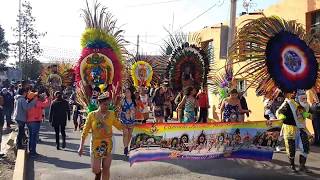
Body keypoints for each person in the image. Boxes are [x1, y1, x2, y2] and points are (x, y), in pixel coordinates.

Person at [78, 93, 123, 180]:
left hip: (108, 142)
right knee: (95, 169)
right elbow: (85, 131)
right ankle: (98, 174)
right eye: (105, 104)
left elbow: (119, 126)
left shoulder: (111, 114)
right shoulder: (91, 115)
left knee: (106, 167)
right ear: (99, 103)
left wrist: (126, 125)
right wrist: (81, 146)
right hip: (96, 143)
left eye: (108, 104)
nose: (107, 106)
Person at [277, 90, 312, 173]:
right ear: (297, 98)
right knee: (291, 148)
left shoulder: (306, 105)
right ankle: (292, 166)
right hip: (290, 128)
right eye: (302, 98)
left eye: (305, 98)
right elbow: (279, 112)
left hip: (302, 129)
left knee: (305, 147)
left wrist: (307, 115)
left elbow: (311, 115)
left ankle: (302, 166)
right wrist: (281, 116)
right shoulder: (289, 103)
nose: (305, 100)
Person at [26, 92, 51, 157]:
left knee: (31, 137)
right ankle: (32, 153)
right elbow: (46, 104)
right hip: (35, 121)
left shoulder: (28, 102)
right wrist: (47, 97)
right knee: (33, 138)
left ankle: (31, 151)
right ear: (34, 97)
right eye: (36, 95)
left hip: (29, 121)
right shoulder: (36, 102)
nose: (38, 96)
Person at [119, 88, 136, 156]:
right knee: (125, 133)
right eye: (125, 92)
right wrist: (124, 112)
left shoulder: (133, 101)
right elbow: (119, 109)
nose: (126, 93)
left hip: (131, 119)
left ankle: (127, 145)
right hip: (124, 119)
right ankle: (125, 148)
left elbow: (136, 110)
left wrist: (133, 112)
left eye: (128, 92)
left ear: (131, 93)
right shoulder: (122, 101)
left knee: (129, 134)